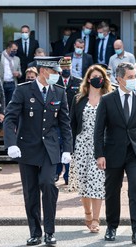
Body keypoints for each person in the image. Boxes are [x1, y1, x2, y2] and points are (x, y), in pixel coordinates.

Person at [3, 56, 72, 247]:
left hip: (50, 149)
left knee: (48, 184)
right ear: (43, 71)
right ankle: (35, 232)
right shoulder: (23, 90)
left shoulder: (59, 92)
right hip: (27, 148)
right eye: (54, 72)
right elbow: (10, 118)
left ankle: (50, 231)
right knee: (31, 192)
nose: (58, 75)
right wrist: (11, 143)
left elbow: (65, 123)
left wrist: (67, 148)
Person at [94, 62, 136, 245]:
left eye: (135, 77)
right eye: (129, 77)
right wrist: (100, 154)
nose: (133, 80)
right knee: (112, 191)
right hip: (113, 152)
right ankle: (112, 227)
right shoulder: (107, 100)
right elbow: (99, 130)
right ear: (119, 79)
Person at [68, 64, 112, 233]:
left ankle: (96, 219)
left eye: (100, 76)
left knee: (98, 182)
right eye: (93, 76)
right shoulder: (79, 98)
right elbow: (72, 123)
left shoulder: (109, 97)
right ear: (87, 79)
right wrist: (68, 146)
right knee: (84, 182)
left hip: (101, 146)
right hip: (81, 144)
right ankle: (87, 213)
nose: (97, 79)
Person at [54, 57, 82, 185]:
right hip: (56, 120)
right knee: (57, 147)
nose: (66, 70)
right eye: (63, 68)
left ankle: (68, 175)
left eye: (68, 67)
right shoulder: (55, 82)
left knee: (70, 148)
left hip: (73, 121)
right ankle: (56, 172)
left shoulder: (78, 82)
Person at [0, 41, 22, 106]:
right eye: (13, 50)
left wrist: (18, 73)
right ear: (8, 48)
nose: (15, 51)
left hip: (12, 83)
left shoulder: (17, 59)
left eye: (16, 50)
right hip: (1, 83)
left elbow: (20, 72)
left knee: (11, 103)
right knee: (1, 103)